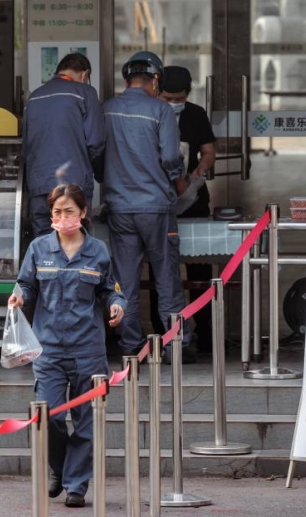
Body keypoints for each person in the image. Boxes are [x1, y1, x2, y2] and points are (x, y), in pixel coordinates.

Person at [8, 183, 125, 508]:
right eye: (57, 212)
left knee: (86, 420)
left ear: (83, 213)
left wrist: (117, 305)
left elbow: (111, 289)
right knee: (48, 416)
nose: (62, 217)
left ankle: (76, 485)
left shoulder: (98, 251)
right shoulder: (39, 248)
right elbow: (27, 283)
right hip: (49, 349)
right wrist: (19, 296)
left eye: (69, 211)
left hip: (88, 349)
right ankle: (61, 468)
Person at [101, 51, 192, 360]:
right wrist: (178, 178)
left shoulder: (108, 109)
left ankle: (130, 346)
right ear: (155, 80)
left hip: (120, 208)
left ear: (126, 79)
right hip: (156, 209)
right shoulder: (160, 111)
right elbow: (169, 157)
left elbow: (97, 154)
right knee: (167, 279)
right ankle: (173, 346)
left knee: (125, 282)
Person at [149, 65, 217, 355]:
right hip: (156, 201)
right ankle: (161, 335)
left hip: (192, 201)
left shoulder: (196, 114)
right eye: (167, 98)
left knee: (200, 270)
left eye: (179, 99)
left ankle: (206, 334)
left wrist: (201, 169)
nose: (173, 104)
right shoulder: (147, 112)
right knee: (160, 271)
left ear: (188, 95)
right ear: (155, 90)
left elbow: (209, 151)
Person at [22, 53, 105, 236]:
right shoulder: (85, 93)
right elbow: (96, 142)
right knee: (74, 249)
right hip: (72, 187)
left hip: (39, 188)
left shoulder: (34, 98)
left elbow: (25, 147)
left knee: (45, 250)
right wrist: (99, 172)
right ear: (85, 75)